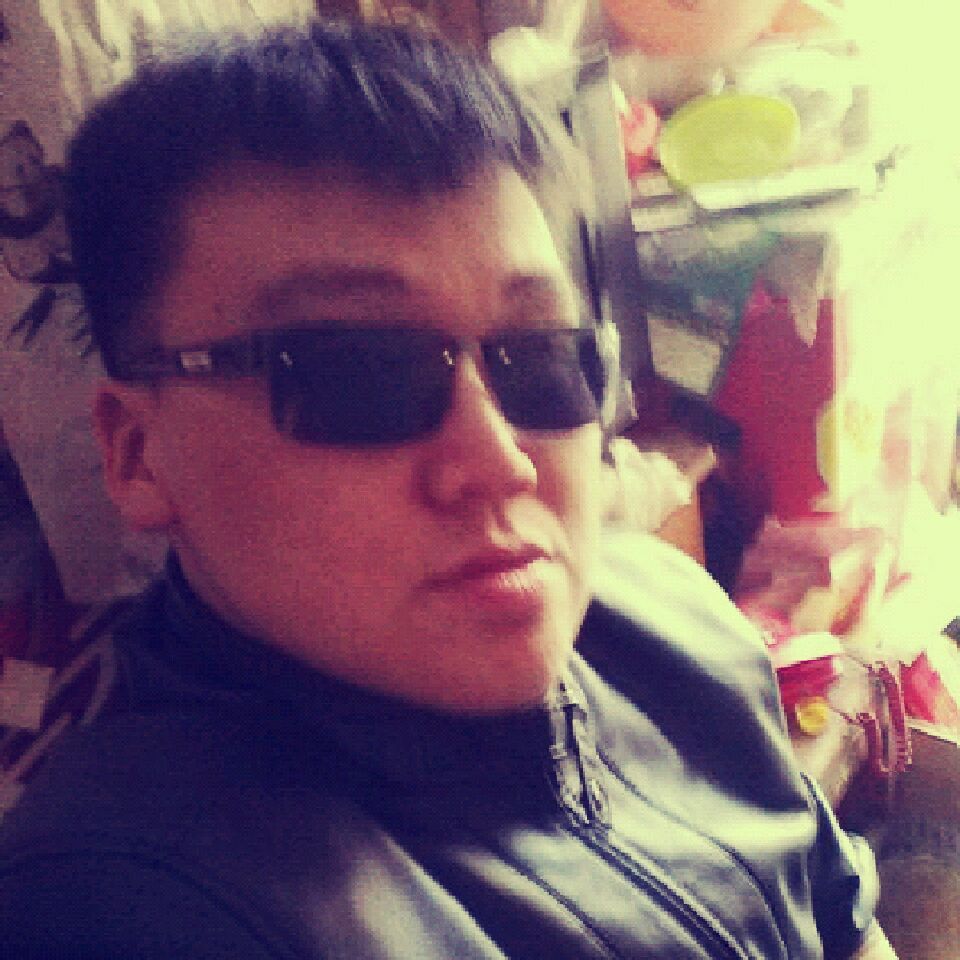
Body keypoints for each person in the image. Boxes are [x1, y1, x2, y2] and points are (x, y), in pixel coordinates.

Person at [0, 19, 896, 958]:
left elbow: (839, 920)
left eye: (541, 358)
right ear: (137, 452)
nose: (500, 460)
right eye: (356, 373)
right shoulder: (119, 906)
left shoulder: (672, 616)